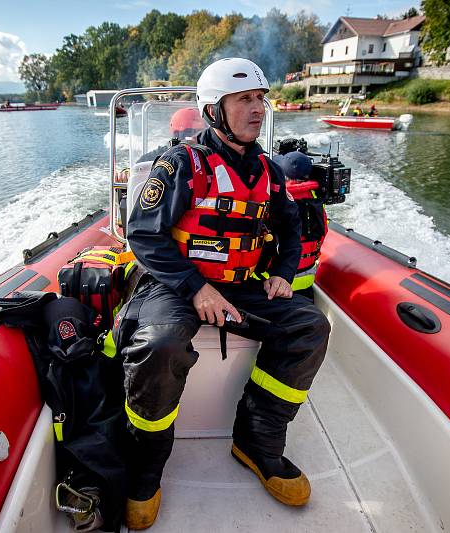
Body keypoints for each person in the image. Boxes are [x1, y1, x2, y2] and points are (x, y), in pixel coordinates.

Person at [116, 57, 330, 529]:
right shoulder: (180, 165)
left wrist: (282, 270)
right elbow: (145, 236)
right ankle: (147, 468)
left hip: (241, 285)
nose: (259, 108)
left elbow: (290, 232)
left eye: (260, 98)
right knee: (160, 344)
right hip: (174, 283)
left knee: (308, 325)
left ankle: (257, 442)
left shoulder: (271, 174)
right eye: (245, 100)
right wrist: (197, 289)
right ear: (214, 110)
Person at [270, 150, 328, 298]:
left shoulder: (275, 197)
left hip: (274, 282)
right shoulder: (315, 198)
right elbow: (324, 231)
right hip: (307, 280)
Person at [136, 107, 206, 163]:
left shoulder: (208, 151)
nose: (194, 137)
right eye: (189, 132)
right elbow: (138, 166)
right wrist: (127, 171)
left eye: (199, 133)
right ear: (177, 134)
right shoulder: (164, 152)